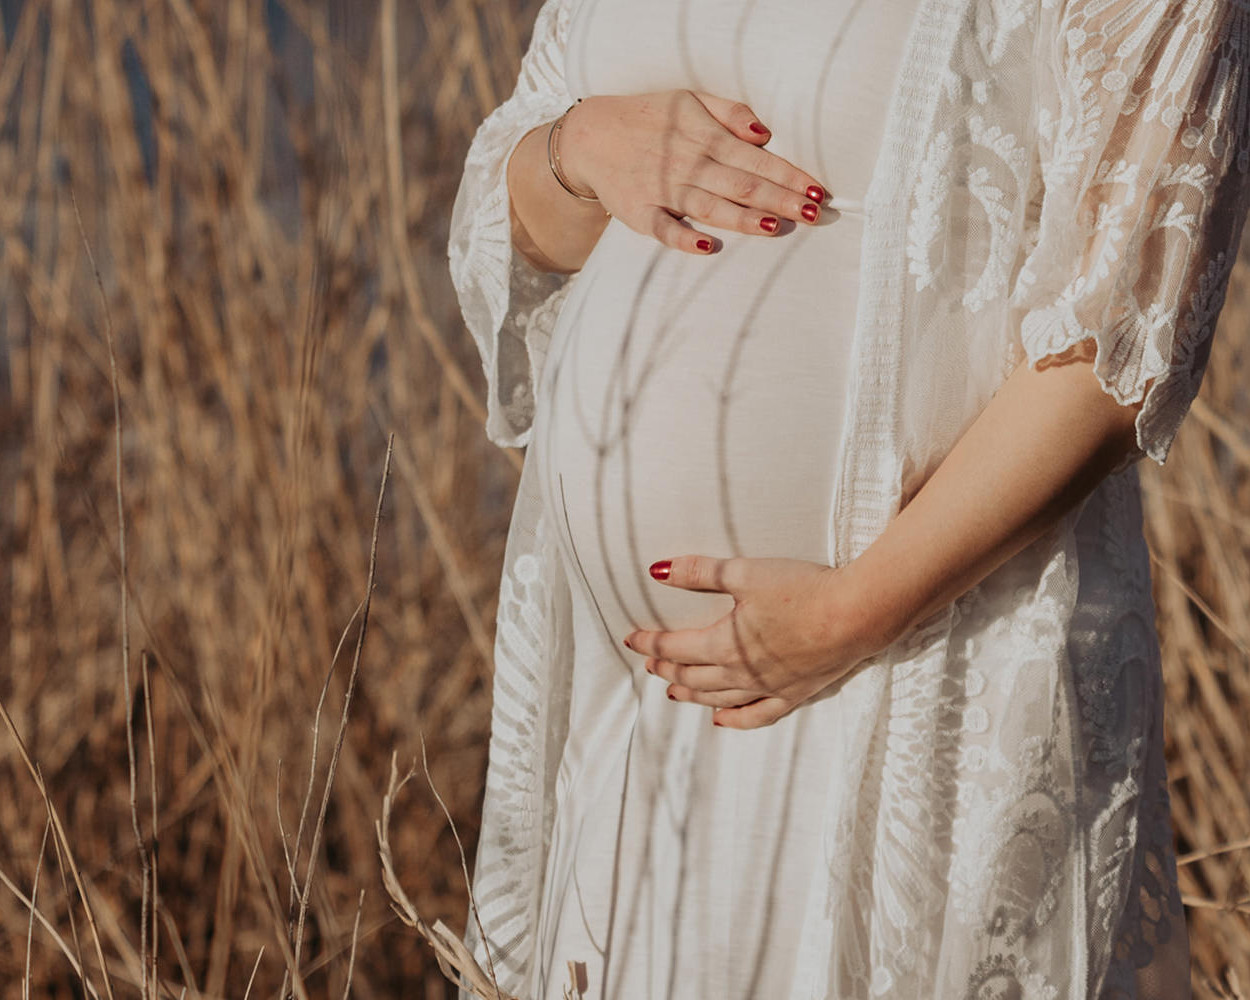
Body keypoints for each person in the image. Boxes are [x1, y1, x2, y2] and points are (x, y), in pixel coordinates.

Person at [448, 0, 1250, 997]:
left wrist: (847, 613)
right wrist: (576, 149)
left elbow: (1124, 322)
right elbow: (512, 224)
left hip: (909, 663)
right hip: (640, 718)